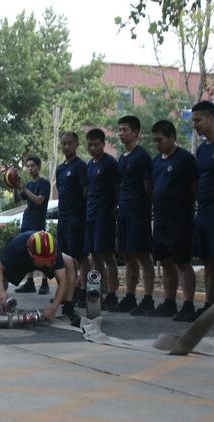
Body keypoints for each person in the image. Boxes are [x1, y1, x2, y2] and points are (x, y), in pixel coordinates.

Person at [0, 230, 79, 325]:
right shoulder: (18, 246)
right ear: (30, 252)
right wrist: (0, 292)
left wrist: (53, 308)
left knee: (69, 262)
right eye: (42, 260)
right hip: (20, 263)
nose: (45, 263)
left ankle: (68, 309)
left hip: (43, 258)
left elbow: (63, 282)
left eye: (48, 260)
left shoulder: (53, 252)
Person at [150, 120, 198, 322]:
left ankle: (188, 304)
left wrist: (186, 209)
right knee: (166, 261)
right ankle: (169, 301)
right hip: (161, 219)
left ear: (172, 138)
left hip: (180, 220)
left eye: (160, 140)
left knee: (183, 262)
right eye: (154, 140)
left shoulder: (185, 159)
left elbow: (194, 188)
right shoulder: (156, 161)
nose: (157, 144)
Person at [111, 115, 156, 315]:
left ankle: (148, 298)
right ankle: (129, 296)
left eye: (125, 130)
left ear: (135, 132)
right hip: (124, 212)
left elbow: (148, 187)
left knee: (143, 255)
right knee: (129, 256)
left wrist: (144, 207)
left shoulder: (142, 156)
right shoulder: (122, 158)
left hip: (139, 212)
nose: (121, 133)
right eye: (119, 130)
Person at [192, 100, 214, 319]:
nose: (195, 124)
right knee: (208, 259)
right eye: (193, 121)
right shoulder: (202, 149)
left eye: (198, 120)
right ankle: (211, 305)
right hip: (203, 211)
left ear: (211, 119)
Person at [84, 128, 120, 310]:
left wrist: (113, 208)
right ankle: (98, 292)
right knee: (95, 255)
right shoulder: (90, 165)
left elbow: (116, 189)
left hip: (105, 216)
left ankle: (112, 293)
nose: (92, 148)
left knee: (108, 255)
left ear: (103, 144)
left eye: (96, 145)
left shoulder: (110, 164)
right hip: (91, 215)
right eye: (89, 145)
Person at [56, 131, 90, 308]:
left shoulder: (80, 166)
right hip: (63, 217)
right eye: (64, 143)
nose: (66, 146)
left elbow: (86, 192)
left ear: (77, 144)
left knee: (81, 256)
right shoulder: (60, 168)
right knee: (66, 257)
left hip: (77, 217)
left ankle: (84, 290)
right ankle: (70, 291)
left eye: (70, 143)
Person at [14, 154, 51, 295]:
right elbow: (18, 200)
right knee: (28, 252)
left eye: (32, 166)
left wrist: (24, 188)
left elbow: (39, 200)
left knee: (43, 252)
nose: (30, 169)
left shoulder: (44, 183)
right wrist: (15, 186)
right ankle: (29, 282)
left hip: (38, 221)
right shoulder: (28, 185)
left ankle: (45, 282)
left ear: (39, 167)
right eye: (28, 166)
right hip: (27, 220)